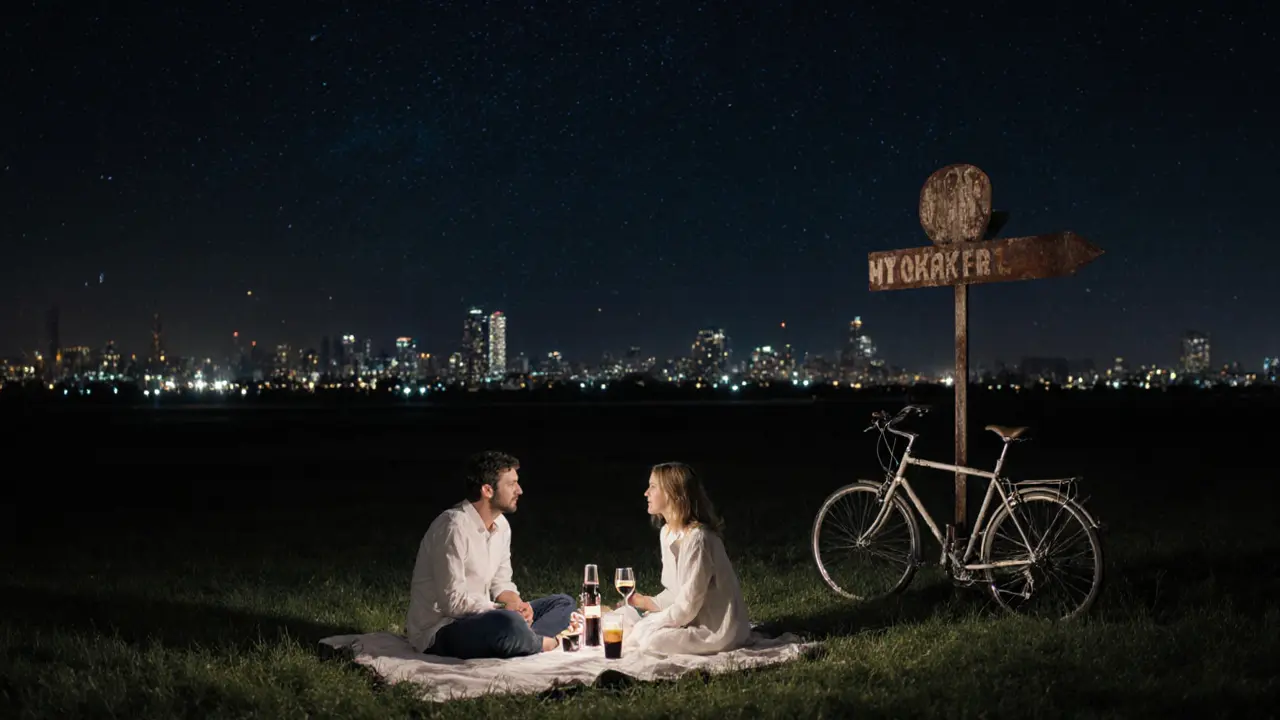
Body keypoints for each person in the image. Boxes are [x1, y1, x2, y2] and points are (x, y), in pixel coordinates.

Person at [406, 450, 576, 658]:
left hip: (486, 618)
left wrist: (517, 603)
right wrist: (500, 610)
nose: (519, 490)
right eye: (511, 484)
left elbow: (501, 582)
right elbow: (453, 604)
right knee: (507, 623)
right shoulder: (453, 527)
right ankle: (536, 641)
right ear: (487, 490)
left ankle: (525, 639)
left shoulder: (501, 526)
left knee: (563, 603)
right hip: (441, 629)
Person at [617, 461, 752, 655]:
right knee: (624, 618)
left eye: (653, 487)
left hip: (715, 629)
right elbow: (676, 592)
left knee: (650, 640)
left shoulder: (699, 539)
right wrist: (645, 602)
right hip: (688, 619)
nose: (646, 493)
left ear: (672, 493)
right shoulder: (667, 533)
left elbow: (688, 605)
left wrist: (650, 623)